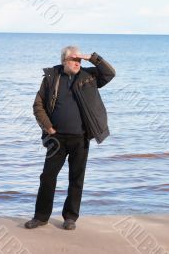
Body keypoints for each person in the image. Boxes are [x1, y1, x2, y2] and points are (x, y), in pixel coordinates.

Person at [25, 46, 116, 230]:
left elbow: (110, 73)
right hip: (56, 139)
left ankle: (70, 218)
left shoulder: (89, 76)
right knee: (47, 178)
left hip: (81, 138)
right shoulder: (52, 77)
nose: (77, 63)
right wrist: (48, 126)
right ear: (63, 61)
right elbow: (38, 104)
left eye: (79, 60)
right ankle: (41, 217)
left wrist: (90, 57)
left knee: (76, 179)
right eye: (73, 59)